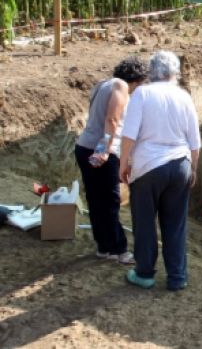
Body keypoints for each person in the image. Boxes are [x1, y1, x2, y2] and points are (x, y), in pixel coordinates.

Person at [119, 50, 201, 291]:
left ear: (151, 72)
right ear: (174, 73)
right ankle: (177, 277)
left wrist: (124, 164)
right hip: (179, 166)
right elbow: (195, 141)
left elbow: (128, 135)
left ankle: (144, 273)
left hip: (147, 168)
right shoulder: (184, 96)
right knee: (175, 225)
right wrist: (193, 169)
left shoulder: (142, 94)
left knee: (144, 223)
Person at [74, 56, 148, 264]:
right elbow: (112, 119)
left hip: (83, 147)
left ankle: (104, 247)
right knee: (110, 201)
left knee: (96, 200)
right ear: (137, 80)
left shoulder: (102, 84)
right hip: (100, 151)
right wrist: (105, 150)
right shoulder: (121, 86)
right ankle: (119, 250)